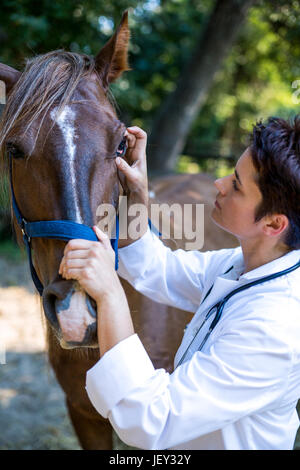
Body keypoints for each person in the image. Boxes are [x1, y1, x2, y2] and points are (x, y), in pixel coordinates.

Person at [58, 117, 300, 450]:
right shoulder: (242, 264)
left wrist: (110, 294)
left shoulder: (275, 329)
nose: (218, 182)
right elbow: (158, 268)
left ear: (273, 223)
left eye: (237, 185)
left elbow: (152, 421)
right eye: (231, 172)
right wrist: (137, 195)